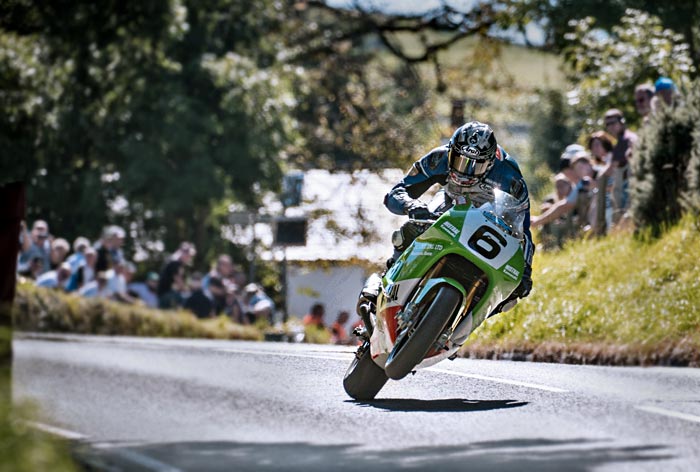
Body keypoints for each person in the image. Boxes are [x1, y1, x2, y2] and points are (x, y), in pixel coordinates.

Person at [374, 121, 534, 314]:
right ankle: (384, 283)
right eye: (459, 161)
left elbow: (522, 231)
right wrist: (411, 205)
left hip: (487, 218)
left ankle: (471, 312)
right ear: (450, 151)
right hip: (451, 200)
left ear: (490, 163)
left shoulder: (510, 178)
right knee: (412, 228)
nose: (464, 172)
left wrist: (526, 271)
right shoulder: (438, 159)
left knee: (511, 297)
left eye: (476, 166)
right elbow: (397, 192)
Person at [603, 109, 637, 217]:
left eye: (613, 123)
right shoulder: (620, 142)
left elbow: (611, 169)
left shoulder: (627, 138)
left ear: (622, 122)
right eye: (607, 124)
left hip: (630, 188)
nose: (610, 127)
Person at [157, 241, 195, 308]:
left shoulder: (174, 260)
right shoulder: (176, 263)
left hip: (165, 294)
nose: (189, 258)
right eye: (189, 256)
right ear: (183, 253)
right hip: (165, 296)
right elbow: (179, 282)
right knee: (189, 298)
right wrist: (188, 290)